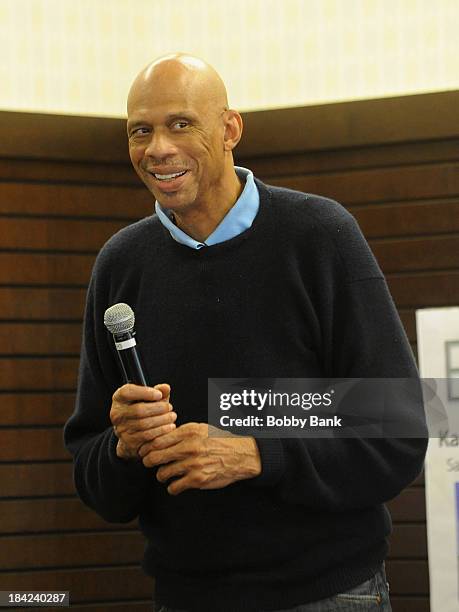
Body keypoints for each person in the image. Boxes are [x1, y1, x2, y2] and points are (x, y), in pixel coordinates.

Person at [64, 53, 427, 612]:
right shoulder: (120, 264)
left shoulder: (320, 236)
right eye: (141, 130)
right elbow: (95, 481)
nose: (158, 147)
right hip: (185, 595)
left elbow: (397, 423)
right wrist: (123, 448)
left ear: (231, 129)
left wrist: (258, 453)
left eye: (181, 123)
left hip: (330, 593)